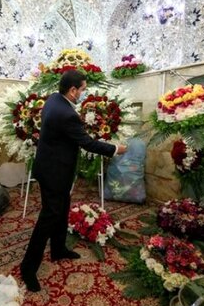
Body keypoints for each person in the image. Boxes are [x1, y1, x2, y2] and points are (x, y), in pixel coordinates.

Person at [20, 70, 127, 292]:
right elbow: (87, 143)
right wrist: (116, 149)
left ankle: (58, 248)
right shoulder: (66, 114)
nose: (82, 94)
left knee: (62, 208)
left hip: (52, 167)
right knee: (48, 217)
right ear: (72, 90)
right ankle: (28, 268)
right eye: (82, 90)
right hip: (54, 173)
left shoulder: (53, 99)